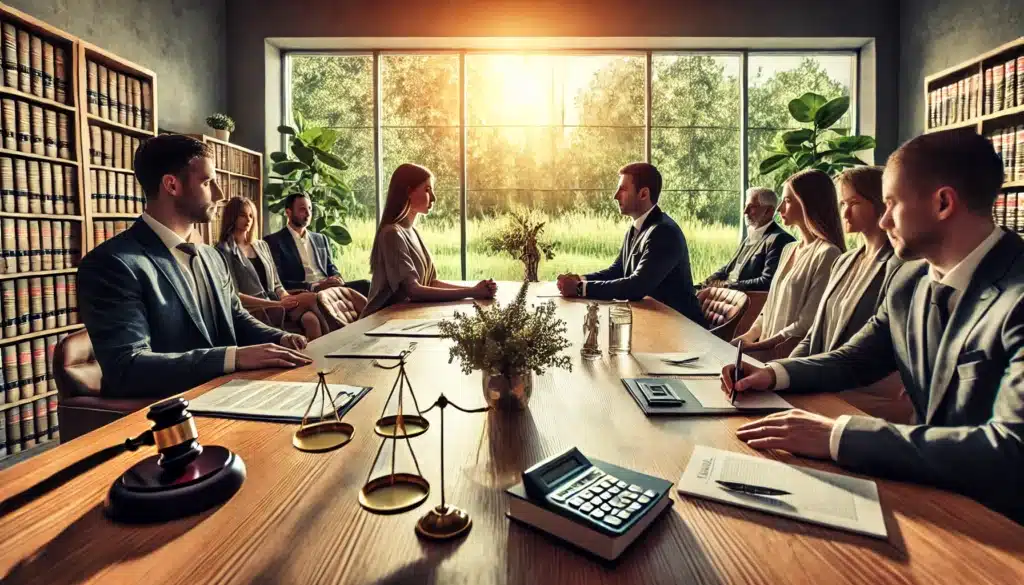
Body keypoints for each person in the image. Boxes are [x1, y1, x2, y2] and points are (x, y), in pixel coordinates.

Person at [722, 130, 1024, 525]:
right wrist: (771, 374)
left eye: (892, 204)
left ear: (943, 203)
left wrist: (837, 436)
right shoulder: (909, 279)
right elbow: (856, 358)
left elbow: (1010, 450)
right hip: (932, 497)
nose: (883, 220)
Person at [77, 135, 311, 399]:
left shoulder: (212, 257)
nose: (221, 195)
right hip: (166, 419)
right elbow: (127, 368)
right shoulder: (112, 264)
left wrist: (280, 339)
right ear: (172, 185)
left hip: (231, 397)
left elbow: (235, 317)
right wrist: (232, 358)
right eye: (208, 182)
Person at [555, 162, 705, 326]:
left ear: (643, 194)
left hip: (684, 332)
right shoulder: (637, 228)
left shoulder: (664, 232)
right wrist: (580, 278)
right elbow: (617, 271)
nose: (616, 196)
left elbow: (636, 286)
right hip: (658, 325)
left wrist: (580, 288)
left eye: (623, 189)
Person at [731, 169, 844, 358]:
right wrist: (748, 337)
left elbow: (806, 324)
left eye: (788, 200)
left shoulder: (828, 254)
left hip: (790, 359)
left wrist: (756, 348)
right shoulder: (789, 248)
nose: (779, 208)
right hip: (765, 353)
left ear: (809, 203)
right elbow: (770, 305)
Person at [361, 163, 496, 317]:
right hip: (377, 322)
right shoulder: (391, 234)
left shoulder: (412, 232)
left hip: (402, 319)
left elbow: (431, 283)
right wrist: (472, 292)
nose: (434, 197)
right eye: (427, 190)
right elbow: (414, 291)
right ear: (409, 192)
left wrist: (476, 290)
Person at [216, 196, 327, 340]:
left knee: (311, 320)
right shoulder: (223, 251)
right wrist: (276, 304)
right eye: (243, 215)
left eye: (251, 215)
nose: (248, 220)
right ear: (232, 217)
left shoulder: (261, 245)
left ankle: (320, 357)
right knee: (313, 298)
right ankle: (339, 342)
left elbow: (277, 284)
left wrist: (286, 299)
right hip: (255, 309)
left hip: (276, 302)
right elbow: (235, 296)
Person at [264, 192, 370, 296]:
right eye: (302, 209)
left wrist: (336, 278)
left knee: (366, 285)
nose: (308, 213)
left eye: (310, 208)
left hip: (330, 288)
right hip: (307, 292)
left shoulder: (320, 239)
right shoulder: (274, 241)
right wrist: (313, 286)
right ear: (288, 212)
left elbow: (330, 267)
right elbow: (279, 281)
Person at [702, 187, 795, 291]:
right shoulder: (751, 236)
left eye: (751, 207)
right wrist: (707, 282)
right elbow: (729, 268)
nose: (745, 211)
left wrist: (728, 285)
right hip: (728, 294)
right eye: (745, 206)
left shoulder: (779, 239)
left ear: (769, 211)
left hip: (744, 300)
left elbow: (768, 281)